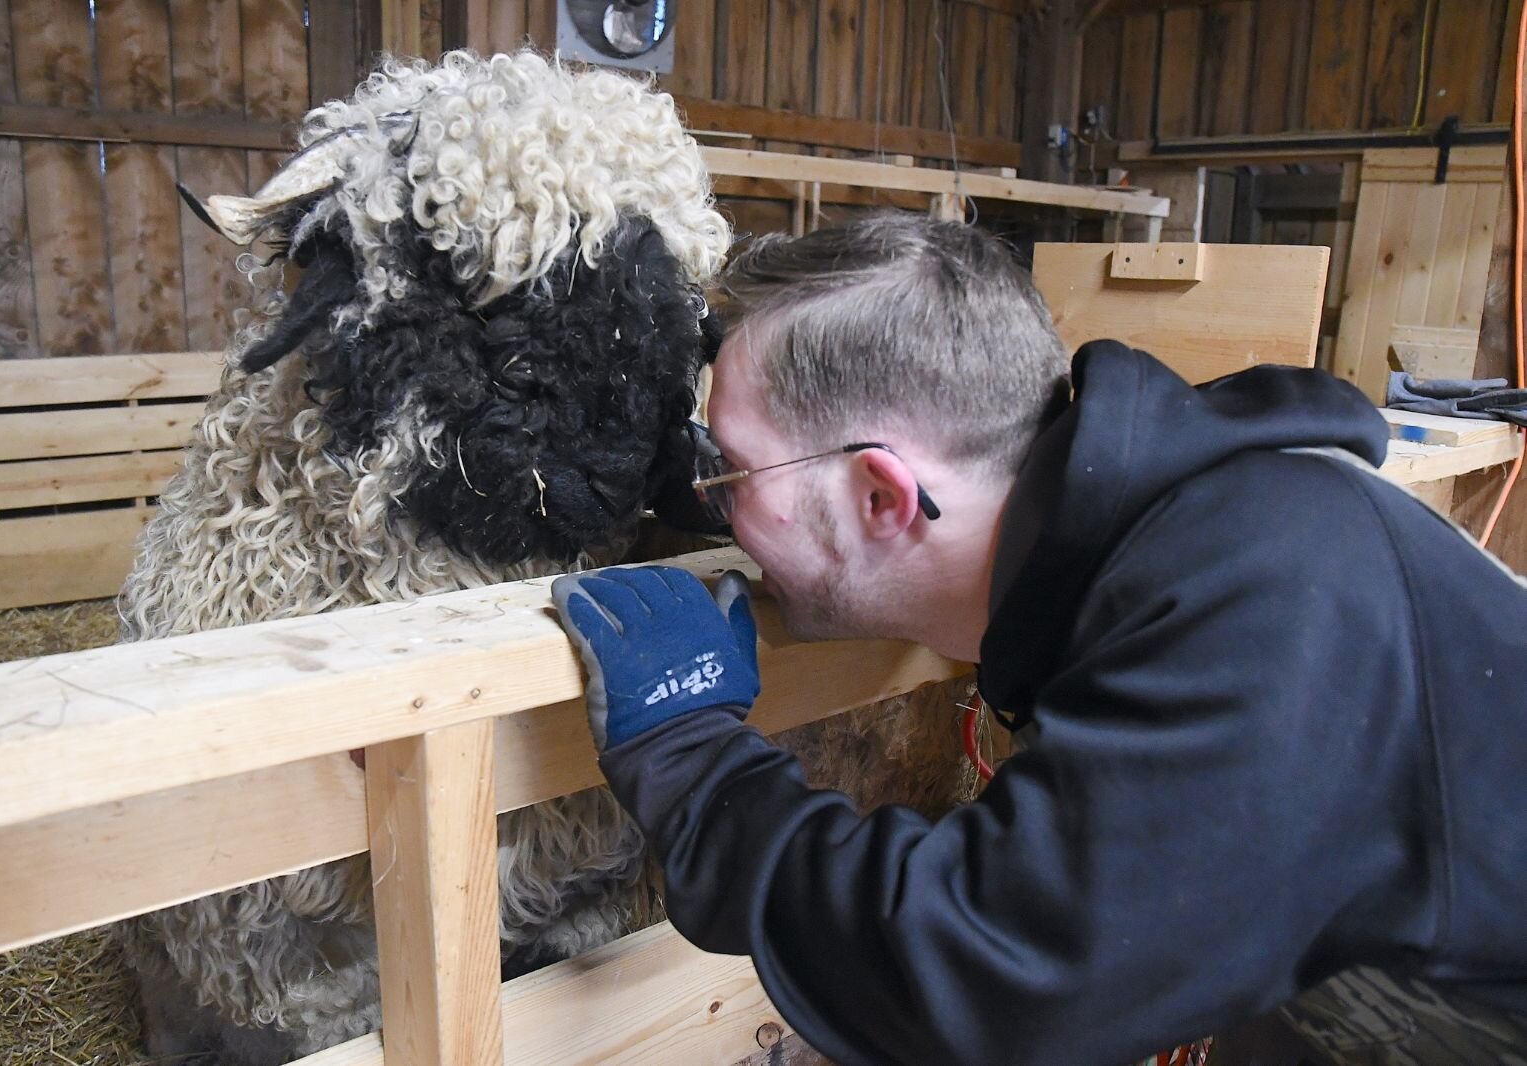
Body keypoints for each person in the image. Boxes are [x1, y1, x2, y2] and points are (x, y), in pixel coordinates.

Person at [549, 214, 1527, 1066]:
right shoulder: (1167, 541)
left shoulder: (1259, 600)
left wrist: (699, 776)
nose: (713, 513)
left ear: (882, 496)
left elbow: (994, 975)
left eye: (734, 477)